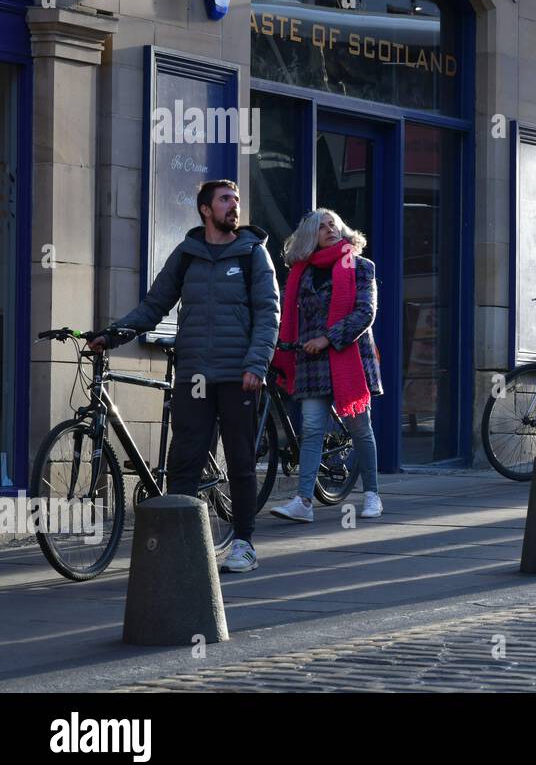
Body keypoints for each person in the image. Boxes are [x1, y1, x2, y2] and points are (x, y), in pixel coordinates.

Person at [92, 180, 280, 573]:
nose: (234, 207)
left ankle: (244, 543)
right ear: (205, 210)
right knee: (184, 461)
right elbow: (154, 305)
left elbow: (268, 313)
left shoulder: (252, 254)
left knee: (241, 461)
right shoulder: (187, 255)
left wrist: (256, 364)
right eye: (225, 200)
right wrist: (113, 334)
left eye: (237, 200)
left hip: (238, 375)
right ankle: (182, 545)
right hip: (193, 373)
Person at [268, 209, 384, 523]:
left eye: (333, 223)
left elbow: (364, 314)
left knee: (360, 428)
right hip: (311, 363)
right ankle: (303, 501)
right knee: (311, 430)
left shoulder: (360, 266)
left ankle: (372, 494)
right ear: (310, 236)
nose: (330, 229)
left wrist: (327, 338)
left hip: (349, 359)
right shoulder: (300, 273)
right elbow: (291, 319)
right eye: (322, 227)